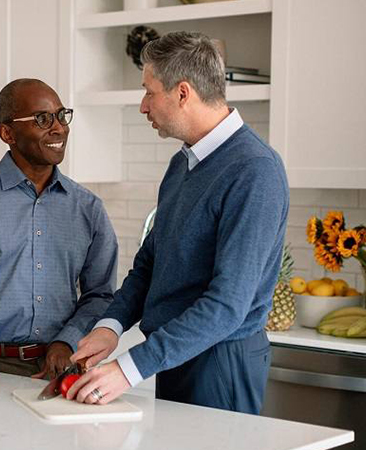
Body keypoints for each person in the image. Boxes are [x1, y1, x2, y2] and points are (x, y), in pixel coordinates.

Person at [67, 31, 289, 414]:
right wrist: (110, 328)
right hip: (177, 354)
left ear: (182, 93)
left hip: (221, 361)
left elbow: (226, 307)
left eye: (149, 92)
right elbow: (150, 264)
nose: (142, 106)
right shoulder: (182, 164)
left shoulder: (255, 171)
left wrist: (129, 368)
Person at [0, 79, 118, 389]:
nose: (59, 128)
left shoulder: (88, 208)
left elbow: (100, 295)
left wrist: (66, 342)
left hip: (61, 370)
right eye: (42, 119)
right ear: (7, 133)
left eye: (61, 115)